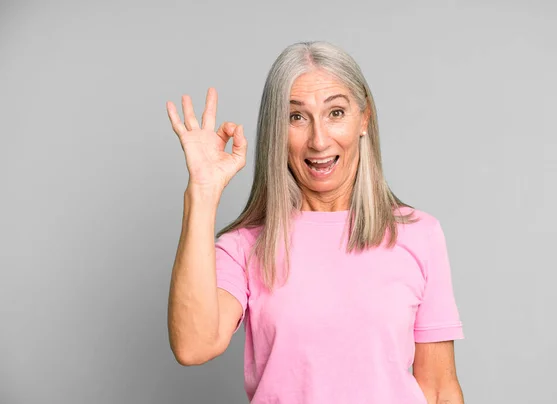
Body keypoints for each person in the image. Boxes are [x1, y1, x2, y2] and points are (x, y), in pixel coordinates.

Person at [166, 41, 465, 404]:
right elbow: (193, 346)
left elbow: (438, 389)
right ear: (277, 130)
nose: (319, 140)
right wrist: (201, 191)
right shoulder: (244, 247)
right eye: (297, 117)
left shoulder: (419, 235)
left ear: (364, 119)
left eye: (335, 113)